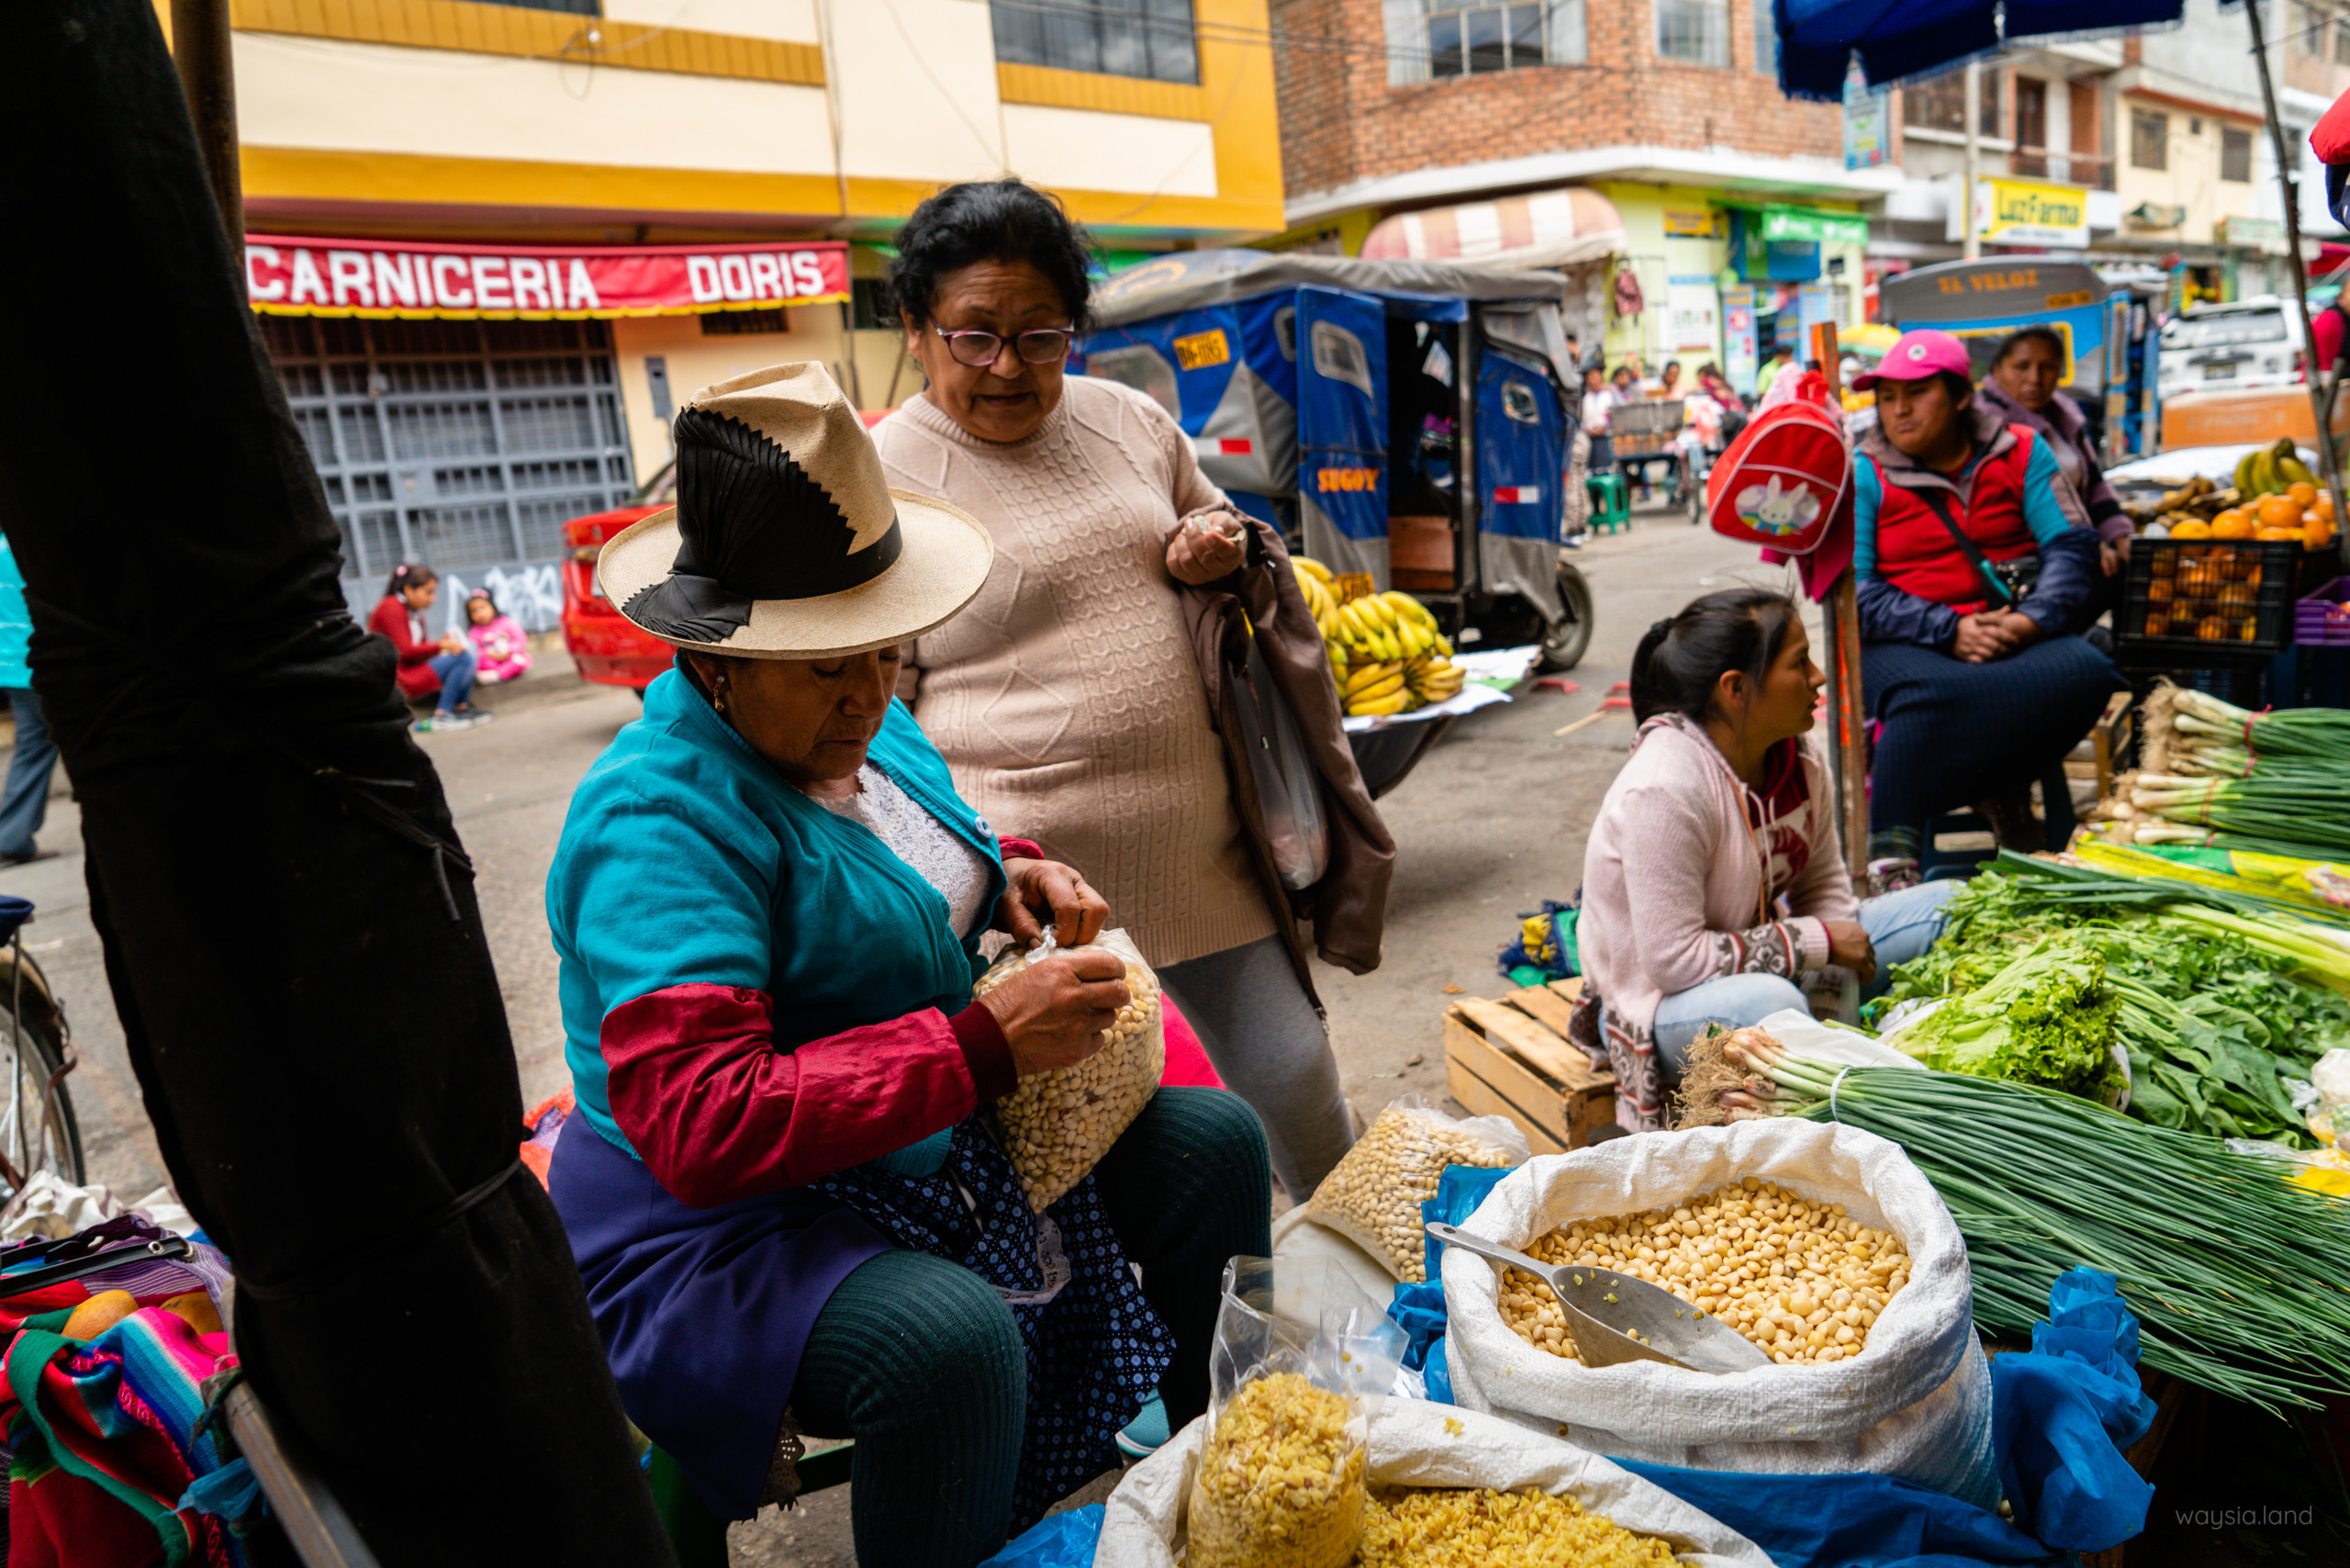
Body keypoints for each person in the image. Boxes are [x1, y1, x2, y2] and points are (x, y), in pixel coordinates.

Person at [547, 362, 1270, 1563]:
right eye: (831, 663)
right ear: (716, 659)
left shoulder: (860, 721)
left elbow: (921, 857)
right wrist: (979, 1046)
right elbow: (703, 1124)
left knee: (1216, 1146)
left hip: (919, 1129)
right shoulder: (660, 825)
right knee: (946, 1340)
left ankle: (1249, 1488)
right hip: (723, 1217)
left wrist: (1020, 876)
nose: (873, 692)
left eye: (886, 653)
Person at [870, 178, 1385, 1201]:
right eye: (975, 336)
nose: (1009, 365)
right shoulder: (882, 474)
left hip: (1208, 860)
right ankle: (1214, 1347)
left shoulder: (1129, 421)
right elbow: (874, 707)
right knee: (1128, 1164)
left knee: (1299, 1095)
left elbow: (1225, 532)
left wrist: (1218, 550)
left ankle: (1359, 1332)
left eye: (1041, 334)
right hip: (1036, 902)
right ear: (917, 332)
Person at [1575, 588, 1959, 1131]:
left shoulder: (1797, 758)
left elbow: (1824, 889)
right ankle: (1863, 1106)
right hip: (1661, 1006)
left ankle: (1853, 1060)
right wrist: (1818, 944)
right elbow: (1674, 962)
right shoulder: (1664, 789)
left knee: (1945, 908)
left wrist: (1833, 991)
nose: (1819, 677)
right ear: (1736, 690)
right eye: (1799, 663)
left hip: (1759, 957)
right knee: (1770, 1006)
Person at [1852, 330, 2119, 885]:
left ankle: (1986, 783)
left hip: (2012, 633)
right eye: (1886, 396)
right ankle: (1896, 861)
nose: (1897, 410)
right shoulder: (1865, 471)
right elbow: (1856, 589)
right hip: (1910, 644)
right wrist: (1949, 629)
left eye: (1917, 394)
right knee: (1918, 699)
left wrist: (2028, 622)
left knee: (2090, 671)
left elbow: (2072, 547)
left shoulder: (2022, 449)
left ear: (1960, 397)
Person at [1975, 325, 2132, 578]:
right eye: (2021, 366)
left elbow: (2095, 487)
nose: (2035, 378)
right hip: (2027, 566)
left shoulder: (2067, 420)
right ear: (1997, 370)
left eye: (2047, 367)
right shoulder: (1988, 428)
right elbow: (2038, 505)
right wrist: (2086, 545)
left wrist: (2120, 534)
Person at [367, 566, 488, 732]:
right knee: (464, 657)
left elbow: (419, 652)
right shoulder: (391, 607)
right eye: (428, 592)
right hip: (398, 679)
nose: (433, 598)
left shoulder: (415, 614)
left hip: (412, 671)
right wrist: (441, 645)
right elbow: (404, 649)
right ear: (409, 590)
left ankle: (461, 707)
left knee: (468, 649)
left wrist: (444, 650)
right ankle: (443, 714)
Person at [0, 536, 58, 867]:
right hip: (35, 661)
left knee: (34, 744)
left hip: (9, 665)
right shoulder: (25, 544)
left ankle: (13, 838)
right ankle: (12, 837)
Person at [464, 588, 534, 685]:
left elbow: (520, 639)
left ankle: (498, 675)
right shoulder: (474, 632)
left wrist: (509, 650)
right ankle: (499, 673)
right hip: (491, 661)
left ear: (493, 607)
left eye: (483, 607)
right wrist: (488, 654)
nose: (480, 613)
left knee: (518, 660)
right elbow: (473, 651)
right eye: (474, 611)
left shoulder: (506, 622)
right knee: (481, 663)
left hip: (508, 657)